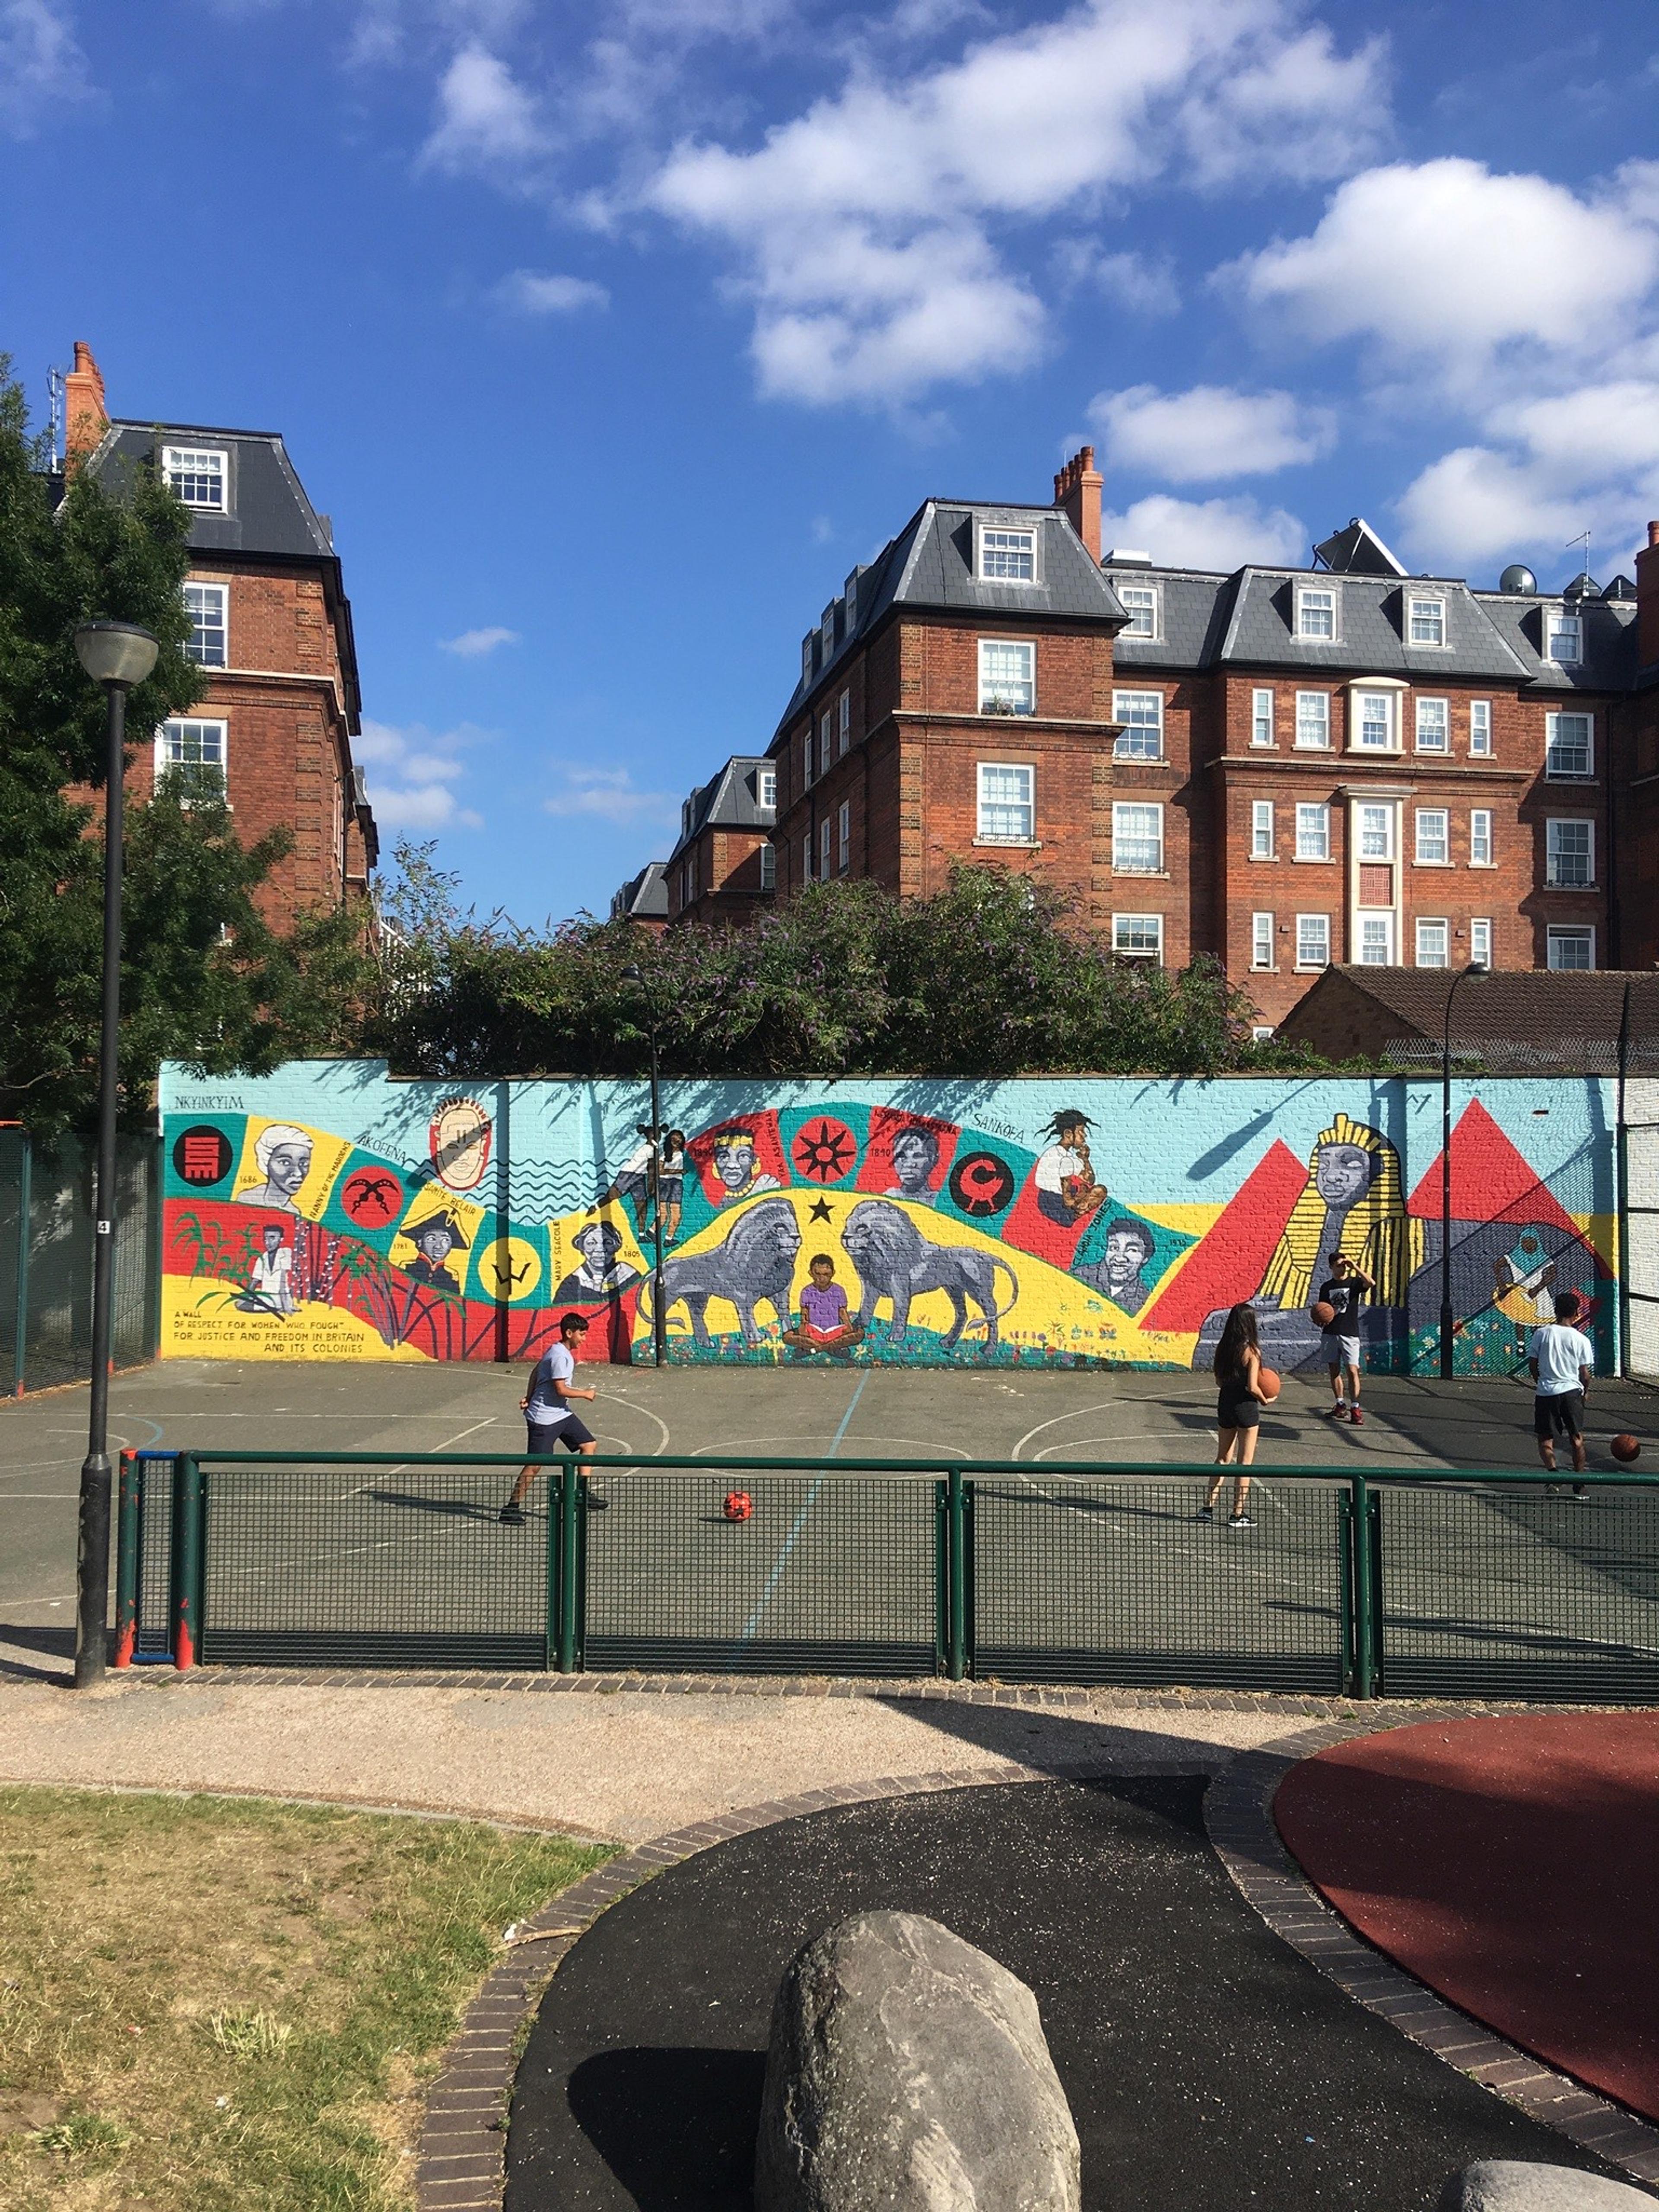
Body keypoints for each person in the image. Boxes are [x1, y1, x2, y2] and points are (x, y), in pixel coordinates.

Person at [500, 1312, 598, 1525]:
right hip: (544, 1418)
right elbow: (561, 1389)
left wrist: (529, 1395)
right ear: (569, 1333)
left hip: (561, 1413)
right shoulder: (561, 1356)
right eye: (582, 1335)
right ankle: (511, 1508)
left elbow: (536, 1372)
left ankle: (583, 1493)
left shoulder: (555, 1350)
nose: (584, 1339)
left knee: (588, 1444)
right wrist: (585, 1393)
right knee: (536, 1464)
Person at [1201, 1302, 1262, 1530]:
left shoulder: (1223, 1348)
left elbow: (1218, 1380)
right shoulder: (1252, 1351)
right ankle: (1237, 1514)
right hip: (1246, 1408)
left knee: (1222, 1458)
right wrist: (1267, 1400)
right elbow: (1253, 1387)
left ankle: (1207, 1509)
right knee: (1244, 1463)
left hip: (1225, 1403)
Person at [1530, 1288, 1594, 1501]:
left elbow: (1533, 1364)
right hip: (1571, 1392)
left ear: (1555, 1311)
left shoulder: (1542, 1333)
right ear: (1576, 1313)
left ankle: (1552, 1475)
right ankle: (1580, 1484)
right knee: (1577, 1439)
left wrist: (1540, 1381)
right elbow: (1585, 1374)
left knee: (1546, 1439)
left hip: (1547, 1392)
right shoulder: (1581, 1339)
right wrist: (1585, 1392)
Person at [1317, 1250, 1375, 1425]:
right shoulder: (1326, 1287)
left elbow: (1371, 1283)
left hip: (1350, 1333)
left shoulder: (1354, 1283)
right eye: (1339, 1266)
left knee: (1352, 1370)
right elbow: (1323, 1310)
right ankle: (1340, 1405)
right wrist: (1320, 1320)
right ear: (1331, 1267)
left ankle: (1356, 1408)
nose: (1343, 1268)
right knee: (1334, 1371)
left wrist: (1355, 1266)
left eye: (1344, 1265)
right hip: (1330, 1333)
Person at [1033, 1110, 1107, 1227]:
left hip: (1055, 1199)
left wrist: (1086, 1159)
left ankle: (1077, 1209)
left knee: (1098, 1190)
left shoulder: (1066, 1156)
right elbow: (1067, 1201)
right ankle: (1075, 1215)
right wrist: (1080, 1197)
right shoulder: (1061, 1158)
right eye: (1081, 1132)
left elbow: (1090, 1179)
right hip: (1052, 1203)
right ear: (1068, 1133)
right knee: (1095, 1192)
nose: (1084, 1136)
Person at [782, 1254, 864, 1354]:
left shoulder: (838, 1290)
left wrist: (849, 1328)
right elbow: (804, 1314)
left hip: (834, 1332)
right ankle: (833, 1347)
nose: (822, 1278)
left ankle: (814, 1349)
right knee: (787, 1337)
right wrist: (803, 1330)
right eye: (818, 1274)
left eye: (826, 1274)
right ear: (811, 1273)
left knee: (860, 1334)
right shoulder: (807, 1291)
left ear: (833, 1273)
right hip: (813, 1332)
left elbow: (843, 1313)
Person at [552, 1217, 641, 1302]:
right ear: (582, 1247)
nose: (600, 1249)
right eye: (591, 1243)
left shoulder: (630, 1276)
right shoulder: (571, 1285)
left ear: (616, 1246)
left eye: (608, 1243)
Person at [237, 1124, 313, 1212]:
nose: (298, 1173)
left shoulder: (294, 1213)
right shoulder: (246, 1200)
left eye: (304, 1164)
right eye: (285, 1162)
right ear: (266, 1161)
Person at [236, 1223, 295, 1315]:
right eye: (266, 1239)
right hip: (268, 1299)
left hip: (280, 1300)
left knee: (241, 1305)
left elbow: (282, 1284)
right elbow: (255, 1282)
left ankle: (277, 1307)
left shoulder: (285, 1253)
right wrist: (244, 1298)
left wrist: (287, 1308)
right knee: (239, 1303)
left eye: (272, 1238)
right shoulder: (262, 1258)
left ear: (281, 1239)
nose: (268, 1242)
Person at [884, 1126, 941, 1206]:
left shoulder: (939, 1203)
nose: (909, 1164)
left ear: (934, 1160)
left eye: (918, 1156)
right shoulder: (887, 1200)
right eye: (901, 1156)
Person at [657, 1129, 687, 1245]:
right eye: (674, 1138)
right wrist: (679, 1171)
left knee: (676, 1215)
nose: (676, 1140)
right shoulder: (663, 1154)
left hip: (677, 1184)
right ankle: (652, 1231)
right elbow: (660, 1171)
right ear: (669, 1140)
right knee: (664, 1214)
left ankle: (668, 1238)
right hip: (665, 1183)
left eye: (679, 1138)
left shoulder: (682, 1154)